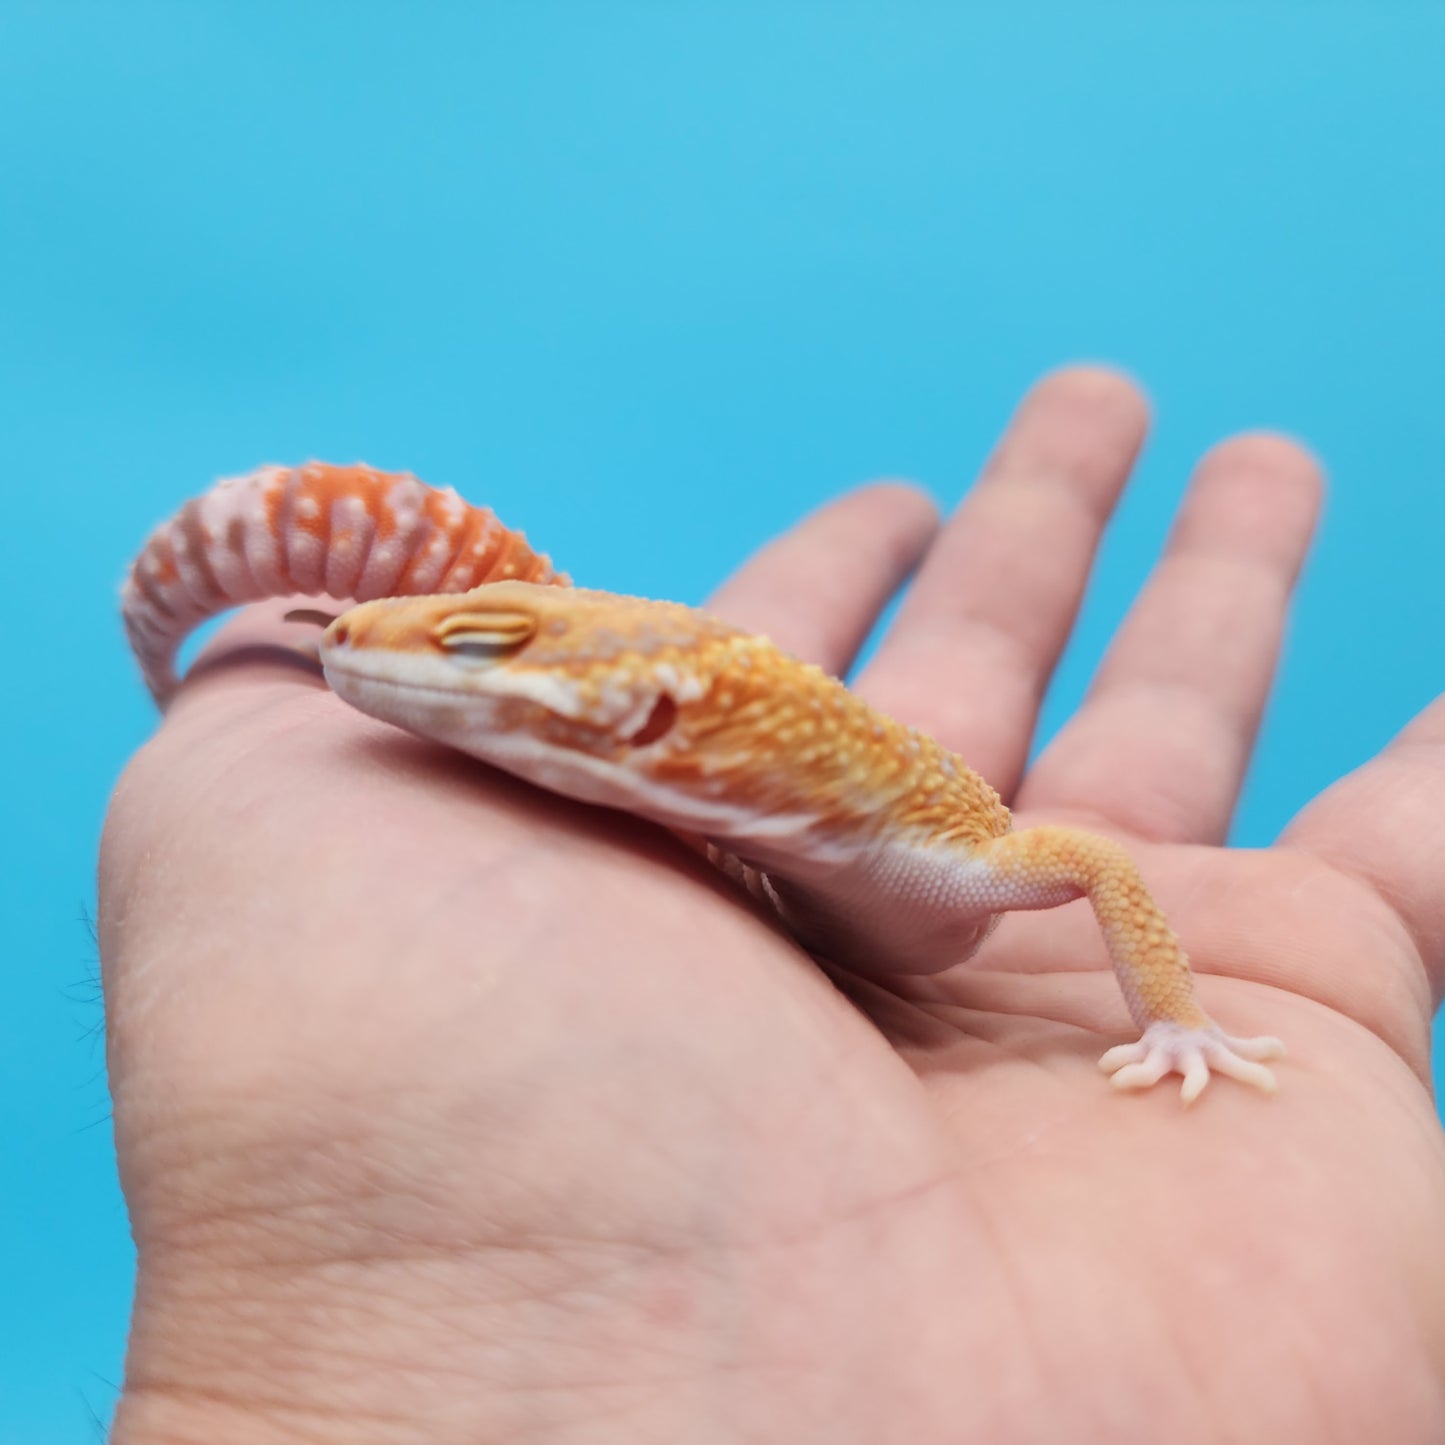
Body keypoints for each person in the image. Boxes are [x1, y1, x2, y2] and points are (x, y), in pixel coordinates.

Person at [101, 369, 1445, 1443]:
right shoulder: (678, 811)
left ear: (662, 714)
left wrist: (1178, 1023)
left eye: (472, 643)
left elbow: (1101, 864)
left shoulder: (955, 862)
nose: (353, 645)